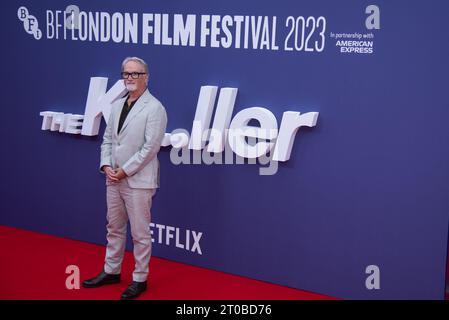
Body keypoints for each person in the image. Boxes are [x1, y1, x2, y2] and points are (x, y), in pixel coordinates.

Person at [82, 57, 167, 300]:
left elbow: (150, 148)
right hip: (113, 177)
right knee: (114, 227)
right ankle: (111, 270)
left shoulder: (155, 108)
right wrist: (106, 164)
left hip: (138, 181)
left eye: (135, 74)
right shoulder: (117, 105)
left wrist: (125, 170)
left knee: (140, 234)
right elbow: (108, 139)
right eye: (126, 74)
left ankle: (140, 278)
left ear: (146, 77)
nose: (129, 77)